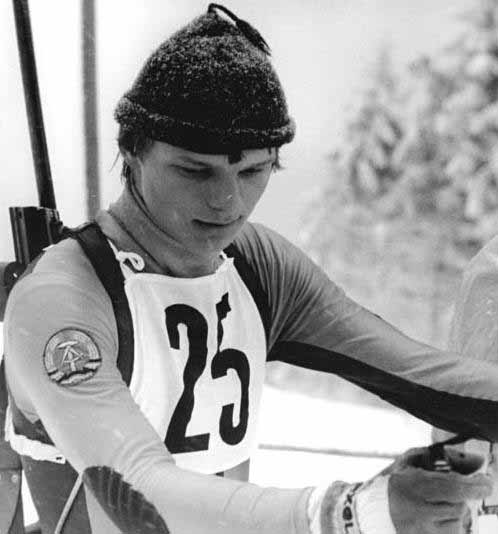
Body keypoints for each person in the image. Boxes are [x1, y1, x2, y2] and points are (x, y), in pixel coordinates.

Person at [3, 4, 498, 533]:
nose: (228, 202)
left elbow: (421, 377)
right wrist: (350, 511)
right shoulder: (63, 298)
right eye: (194, 171)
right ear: (133, 150)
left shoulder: (256, 266)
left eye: (253, 171)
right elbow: (137, 491)